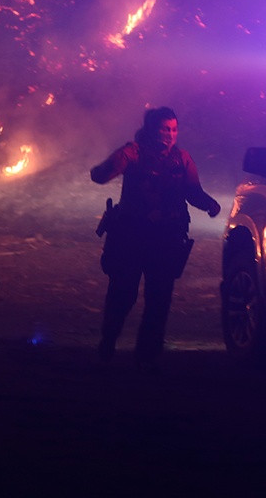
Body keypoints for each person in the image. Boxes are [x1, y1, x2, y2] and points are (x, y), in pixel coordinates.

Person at [91, 106, 222, 373]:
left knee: (159, 299)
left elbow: (192, 191)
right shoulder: (133, 153)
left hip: (165, 238)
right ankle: (109, 340)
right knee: (122, 294)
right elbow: (100, 175)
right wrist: (117, 161)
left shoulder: (181, 159)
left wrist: (209, 204)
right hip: (131, 235)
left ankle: (147, 356)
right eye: (164, 129)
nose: (170, 135)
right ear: (151, 129)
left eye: (174, 129)